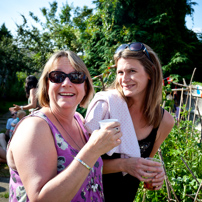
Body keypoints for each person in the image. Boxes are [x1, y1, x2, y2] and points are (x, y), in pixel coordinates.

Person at [7, 50, 122, 202]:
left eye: (76, 77)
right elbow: (42, 199)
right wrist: (92, 150)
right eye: (57, 77)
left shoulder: (79, 120)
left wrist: (133, 166)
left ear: (85, 86)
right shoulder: (35, 127)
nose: (67, 83)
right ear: (46, 85)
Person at [85, 42, 175, 201]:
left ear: (150, 73)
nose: (124, 79)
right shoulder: (106, 106)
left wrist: (153, 176)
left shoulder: (164, 121)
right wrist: (123, 165)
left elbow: (142, 165)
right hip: (91, 197)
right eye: (120, 72)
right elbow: (82, 163)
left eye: (132, 71)